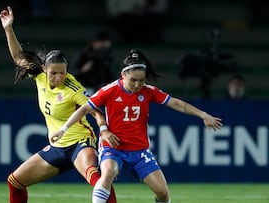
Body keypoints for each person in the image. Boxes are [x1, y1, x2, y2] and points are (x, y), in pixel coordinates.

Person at [50, 49, 223, 203]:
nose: (137, 85)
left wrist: (203, 115)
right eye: (133, 80)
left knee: (162, 193)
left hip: (139, 150)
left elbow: (178, 104)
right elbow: (85, 108)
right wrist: (63, 129)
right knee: (108, 172)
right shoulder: (109, 91)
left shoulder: (148, 91)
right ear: (123, 75)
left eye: (141, 80)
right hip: (114, 146)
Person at [0, 6, 116, 203]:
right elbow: (19, 57)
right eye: (54, 73)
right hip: (57, 147)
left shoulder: (73, 88)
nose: (59, 77)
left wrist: (103, 129)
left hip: (80, 143)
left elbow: (93, 109)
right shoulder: (39, 76)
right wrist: (8, 28)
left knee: (99, 181)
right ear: (44, 69)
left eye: (63, 72)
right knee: (15, 181)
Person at [72, 31, 114, 96]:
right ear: (94, 42)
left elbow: (109, 76)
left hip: (100, 88)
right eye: (101, 42)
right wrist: (83, 70)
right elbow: (73, 73)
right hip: (85, 87)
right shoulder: (84, 55)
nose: (102, 45)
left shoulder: (106, 57)